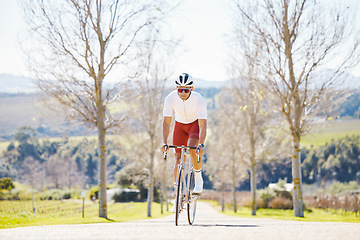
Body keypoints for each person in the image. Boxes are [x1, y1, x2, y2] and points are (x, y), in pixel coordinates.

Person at [161, 73, 207, 205]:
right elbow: (166, 123)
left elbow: (203, 125)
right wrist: (164, 142)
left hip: (194, 126)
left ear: (191, 89)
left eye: (185, 90)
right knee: (177, 158)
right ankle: (177, 193)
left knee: (193, 149)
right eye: (179, 89)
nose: (182, 93)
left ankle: (198, 178)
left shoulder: (199, 100)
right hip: (179, 126)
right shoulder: (170, 98)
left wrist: (201, 144)